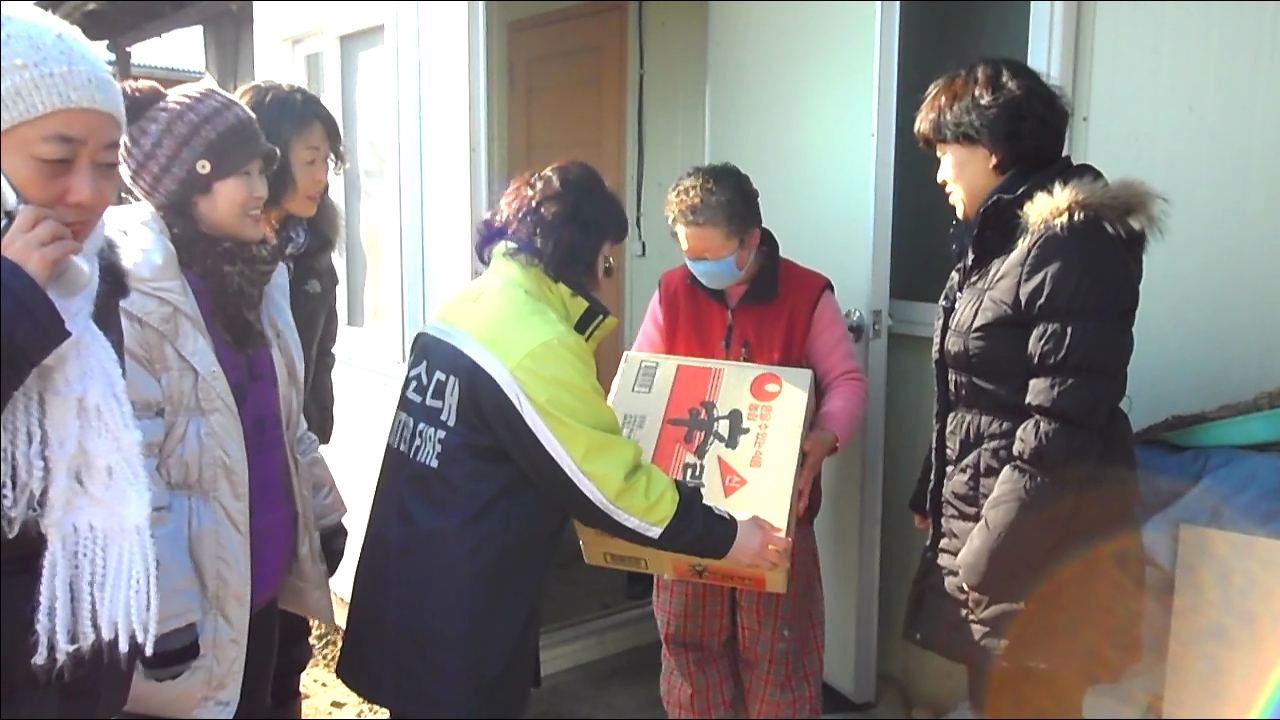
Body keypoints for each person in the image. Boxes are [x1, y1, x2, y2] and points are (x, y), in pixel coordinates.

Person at [335, 160, 790, 719]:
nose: (607, 273)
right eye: (607, 257)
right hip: (461, 609)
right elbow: (610, 489)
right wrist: (729, 536)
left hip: (411, 578)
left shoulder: (470, 305)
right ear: (584, 251)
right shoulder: (537, 342)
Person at [903, 57, 1162, 720]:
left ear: (990, 149)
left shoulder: (1071, 247)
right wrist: (932, 485)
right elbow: (974, 389)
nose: (939, 174)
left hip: (1044, 549)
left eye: (946, 153)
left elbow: (1059, 426)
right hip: (1003, 532)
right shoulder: (1000, 242)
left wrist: (989, 553)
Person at [108, 79, 348, 719]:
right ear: (189, 183)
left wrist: (321, 515)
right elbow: (134, 476)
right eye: (244, 173)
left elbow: (287, 421)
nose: (263, 189)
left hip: (260, 581)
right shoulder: (139, 300)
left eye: (263, 170)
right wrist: (166, 616)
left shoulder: (259, 277)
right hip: (198, 605)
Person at [635, 162, 868, 719]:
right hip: (688, 514)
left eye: (711, 254)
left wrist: (825, 437)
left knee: (779, 658)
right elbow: (645, 378)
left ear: (751, 240)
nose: (698, 268)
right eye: (689, 254)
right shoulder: (672, 292)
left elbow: (846, 382)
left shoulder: (806, 294)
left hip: (777, 516)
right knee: (689, 652)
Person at [0, 5, 157, 717]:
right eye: (57, 160)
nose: (90, 194)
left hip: (74, 676)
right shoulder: (29, 294)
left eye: (108, 163)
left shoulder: (91, 282)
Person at [235, 79, 348, 720]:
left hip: (296, 462)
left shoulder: (312, 254)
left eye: (328, 160)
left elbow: (319, 353)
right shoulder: (230, 260)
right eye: (310, 159)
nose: (322, 176)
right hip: (245, 484)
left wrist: (314, 428)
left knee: (288, 652)